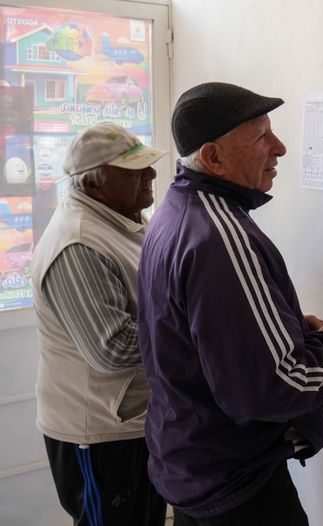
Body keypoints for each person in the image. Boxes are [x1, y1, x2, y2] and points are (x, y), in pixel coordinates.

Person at [137, 82, 323, 525]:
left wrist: (285, 325)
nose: (280, 148)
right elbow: (276, 385)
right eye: (261, 137)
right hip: (236, 485)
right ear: (214, 156)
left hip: (192, 462)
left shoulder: (176, 210)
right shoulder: (220, 236)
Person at [31, 122, 168, 526]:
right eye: (134, 171)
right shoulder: (77, 242)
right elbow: (113, 348)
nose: (152, 176)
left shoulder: (122, 217)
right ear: (93, 182)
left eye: (148, 165)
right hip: (98, 433)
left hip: (134, 422)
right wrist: (198, 328)